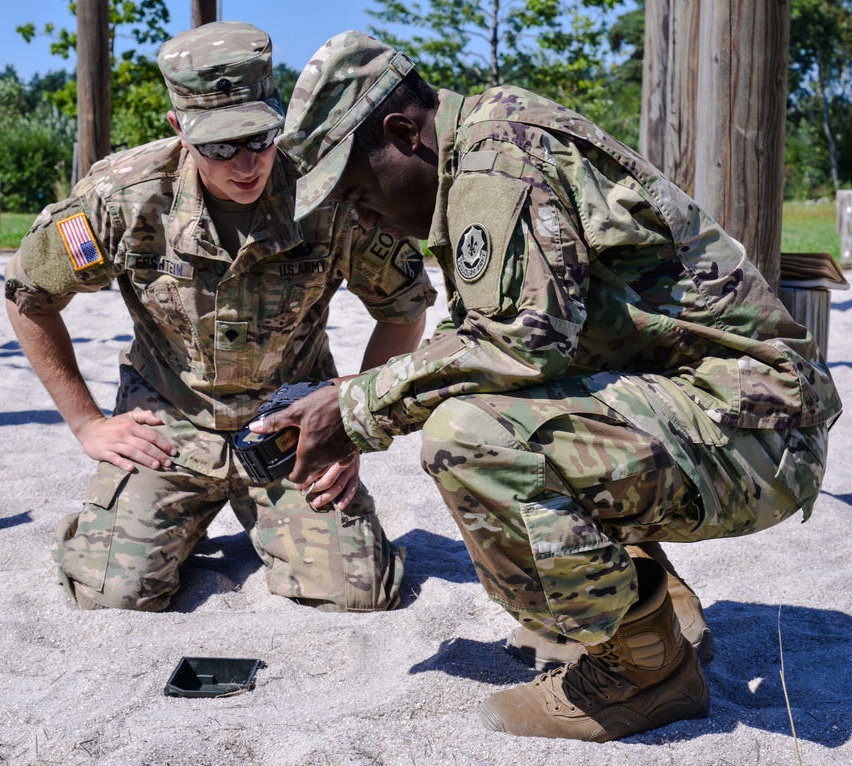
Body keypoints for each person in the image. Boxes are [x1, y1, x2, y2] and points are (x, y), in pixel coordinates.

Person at [253, 30, 842, 741]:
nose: (360, 215)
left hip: (755, 431)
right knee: (484, 410)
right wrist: (352, 402)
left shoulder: (498, 162)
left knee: (470, 438)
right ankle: (662, 612)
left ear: (402, 132)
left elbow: (522, 344)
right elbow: (490, 339)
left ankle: (643, 673)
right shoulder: (485, 147)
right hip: (728, 414)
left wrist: (356, 407)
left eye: (356, 191)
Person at [3, 22, 435, 614]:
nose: (245, 163)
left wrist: (349, 417)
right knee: (110, 593)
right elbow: (28, 297)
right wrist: (86, 423)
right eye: (220, 147)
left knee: (358, 593)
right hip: (169, 425)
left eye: (259, 137)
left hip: (290, 422)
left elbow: (405, 310)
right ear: (181, 131)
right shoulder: (122, 198)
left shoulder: (328, 193)